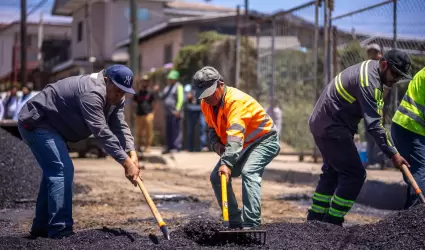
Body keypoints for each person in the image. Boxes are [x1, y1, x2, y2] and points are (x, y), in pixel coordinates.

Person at [17, 64, 141, 239]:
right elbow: (101, 131)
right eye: (117, 91)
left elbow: (119, 125)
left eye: (124, 92)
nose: (120, 96)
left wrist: (131, 152)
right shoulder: (91, 93)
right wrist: (125, 162)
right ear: (106, 81)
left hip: (55, 129)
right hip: (37, 122)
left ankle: (42, 227)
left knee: (54, 173)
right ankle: (61, 231)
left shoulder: (115, 97)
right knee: (61, 170)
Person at [307, 49, 411, 226]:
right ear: (384, 65)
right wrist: (393, 154)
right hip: (331, 127)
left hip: (326, 123)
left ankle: (316, 219)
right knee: (355, 174)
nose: (396, 80)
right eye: (395, 74)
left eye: (400, 76)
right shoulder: (369, 82)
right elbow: (374, 125)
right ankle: (332, 222)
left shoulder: (372, 72)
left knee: (332, 170)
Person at [193, 66, 280, 229]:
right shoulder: (206, 104)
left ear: (221, 84)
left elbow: (235, 136)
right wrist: (216, 145)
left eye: (210, 93)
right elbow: (211, 129)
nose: (208, 98)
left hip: (264, 140)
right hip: (242, 145)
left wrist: (226, 163)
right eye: (204, 95)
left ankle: (251, 224)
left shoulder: (235, 101)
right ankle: (234, 221)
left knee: (249, 171)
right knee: (217, 177)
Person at [391, 67, 425, 209]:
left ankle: (409, 217)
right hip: (411, 128)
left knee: (418, 173)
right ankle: (415, 217)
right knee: (422, 171)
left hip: (407, 127)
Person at [364, 43, 385, 168]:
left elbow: (386, 87)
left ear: (379, 54)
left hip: (378, 105)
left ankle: (378, 161)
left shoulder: (382, 67)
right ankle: (371, 161)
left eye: (374, 52)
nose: (372, 55)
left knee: (377, 133)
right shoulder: (367, 68)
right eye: (370, 52)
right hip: (367, 105)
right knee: (368, 133)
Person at [159, 69, 184, 154]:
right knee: (169, 130)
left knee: (176, 131)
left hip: (175, 113)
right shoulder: (167, 88)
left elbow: (180, 99)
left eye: (172, 78)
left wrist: (177, 110)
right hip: (168, 113)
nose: (170, 80)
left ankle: (176, 147)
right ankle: (169, 147)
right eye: (169, 78)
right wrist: (156, 92)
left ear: (176, 79)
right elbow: (162, 97)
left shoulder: (179, 86)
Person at [133, 75, 156, 153]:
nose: (145, 83)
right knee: (139, 132)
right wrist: (134, 113)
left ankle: (147, 147)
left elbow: (154, 103)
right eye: (143, 81)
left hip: (148, 114)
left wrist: (153, 113)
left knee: (148, 132)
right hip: (139, 114)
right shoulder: (137, 93)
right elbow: (134, 103)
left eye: (146, 81)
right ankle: (139, 146)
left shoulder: (151, 92)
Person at [184, 84, 208, 152]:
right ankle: (189, 147)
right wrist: (187, 97)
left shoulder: (203, 88)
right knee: (190, 129)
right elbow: (184, 97)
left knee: (202, 127)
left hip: (200, 110)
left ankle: (203, 146)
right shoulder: (188, 87)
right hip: (191, 110)